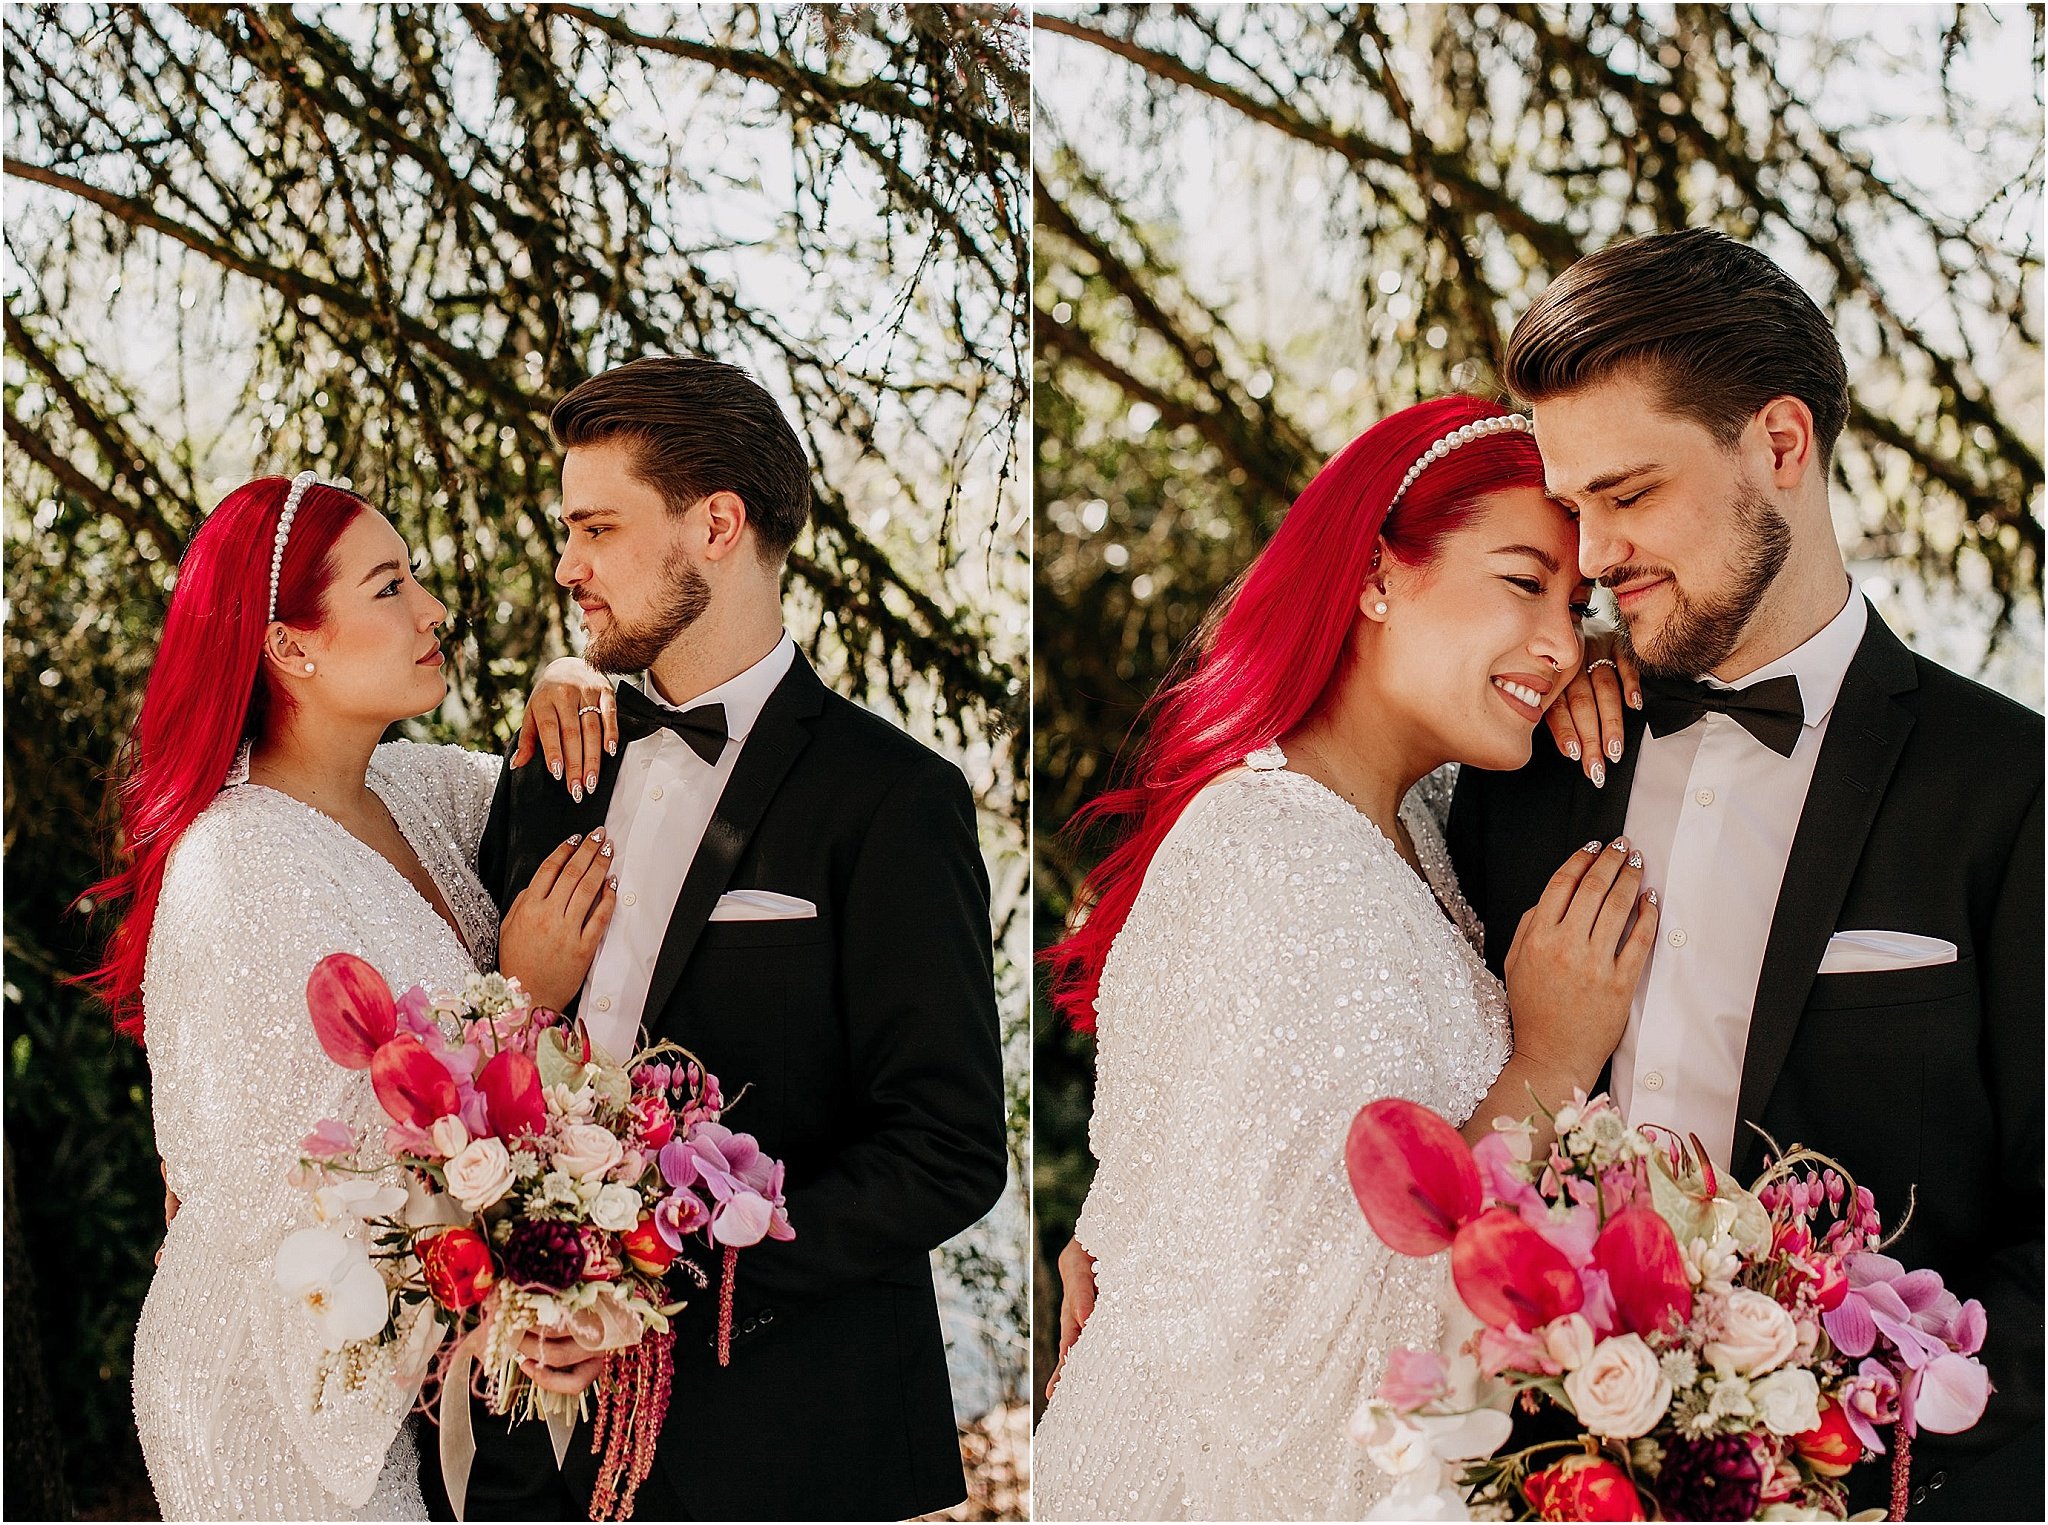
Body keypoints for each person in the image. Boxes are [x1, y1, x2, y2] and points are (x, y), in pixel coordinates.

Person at [1448, 227, 2042, 1521]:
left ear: (1780, 444)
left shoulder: (2014, 788)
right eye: (1573, 508)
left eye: (1630, 494)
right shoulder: (1529, 768)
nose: (1593, 558)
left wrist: (1893, 1466)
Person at [1032, 396, 1660, 1520]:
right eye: (1521, 582)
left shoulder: (1399, 823)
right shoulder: (1264, 849)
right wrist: (1550, 1055)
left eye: (1579, 604)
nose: (1561, 640)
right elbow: (1301, 1330)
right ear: (1375, 576)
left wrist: (1602, 661)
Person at [433, 357, 1009, 1522]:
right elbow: (494, 1062)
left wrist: (657, 1279)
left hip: (783, 1444)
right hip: (533, 1447)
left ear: (715, 524)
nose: (567, 565)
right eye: (567, 528)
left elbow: (945, 1148)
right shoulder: (551, 766)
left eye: (597, 525)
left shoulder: (896, 799)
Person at [95, 473, 620, 1519]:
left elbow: (542, 769)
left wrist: (572, 671)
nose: (432, 610)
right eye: (389, 587)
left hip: (400, 1377)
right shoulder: (238, 865)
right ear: (291, 645)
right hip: (267, 1389)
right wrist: (519, 992)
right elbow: (335, 1167)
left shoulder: (409, 790)